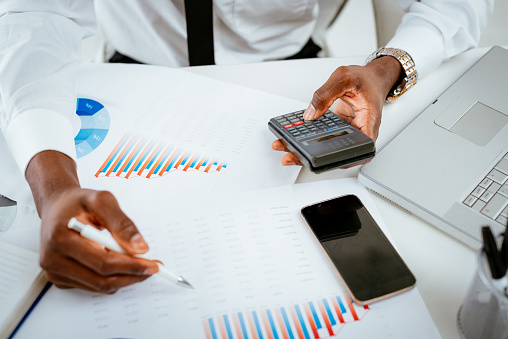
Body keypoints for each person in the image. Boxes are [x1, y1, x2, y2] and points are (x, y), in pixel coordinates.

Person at [0, 0, 493, 293]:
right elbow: (35, 15)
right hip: (139, 75)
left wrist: (386, 68)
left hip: (297, 74)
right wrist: (53, 186)